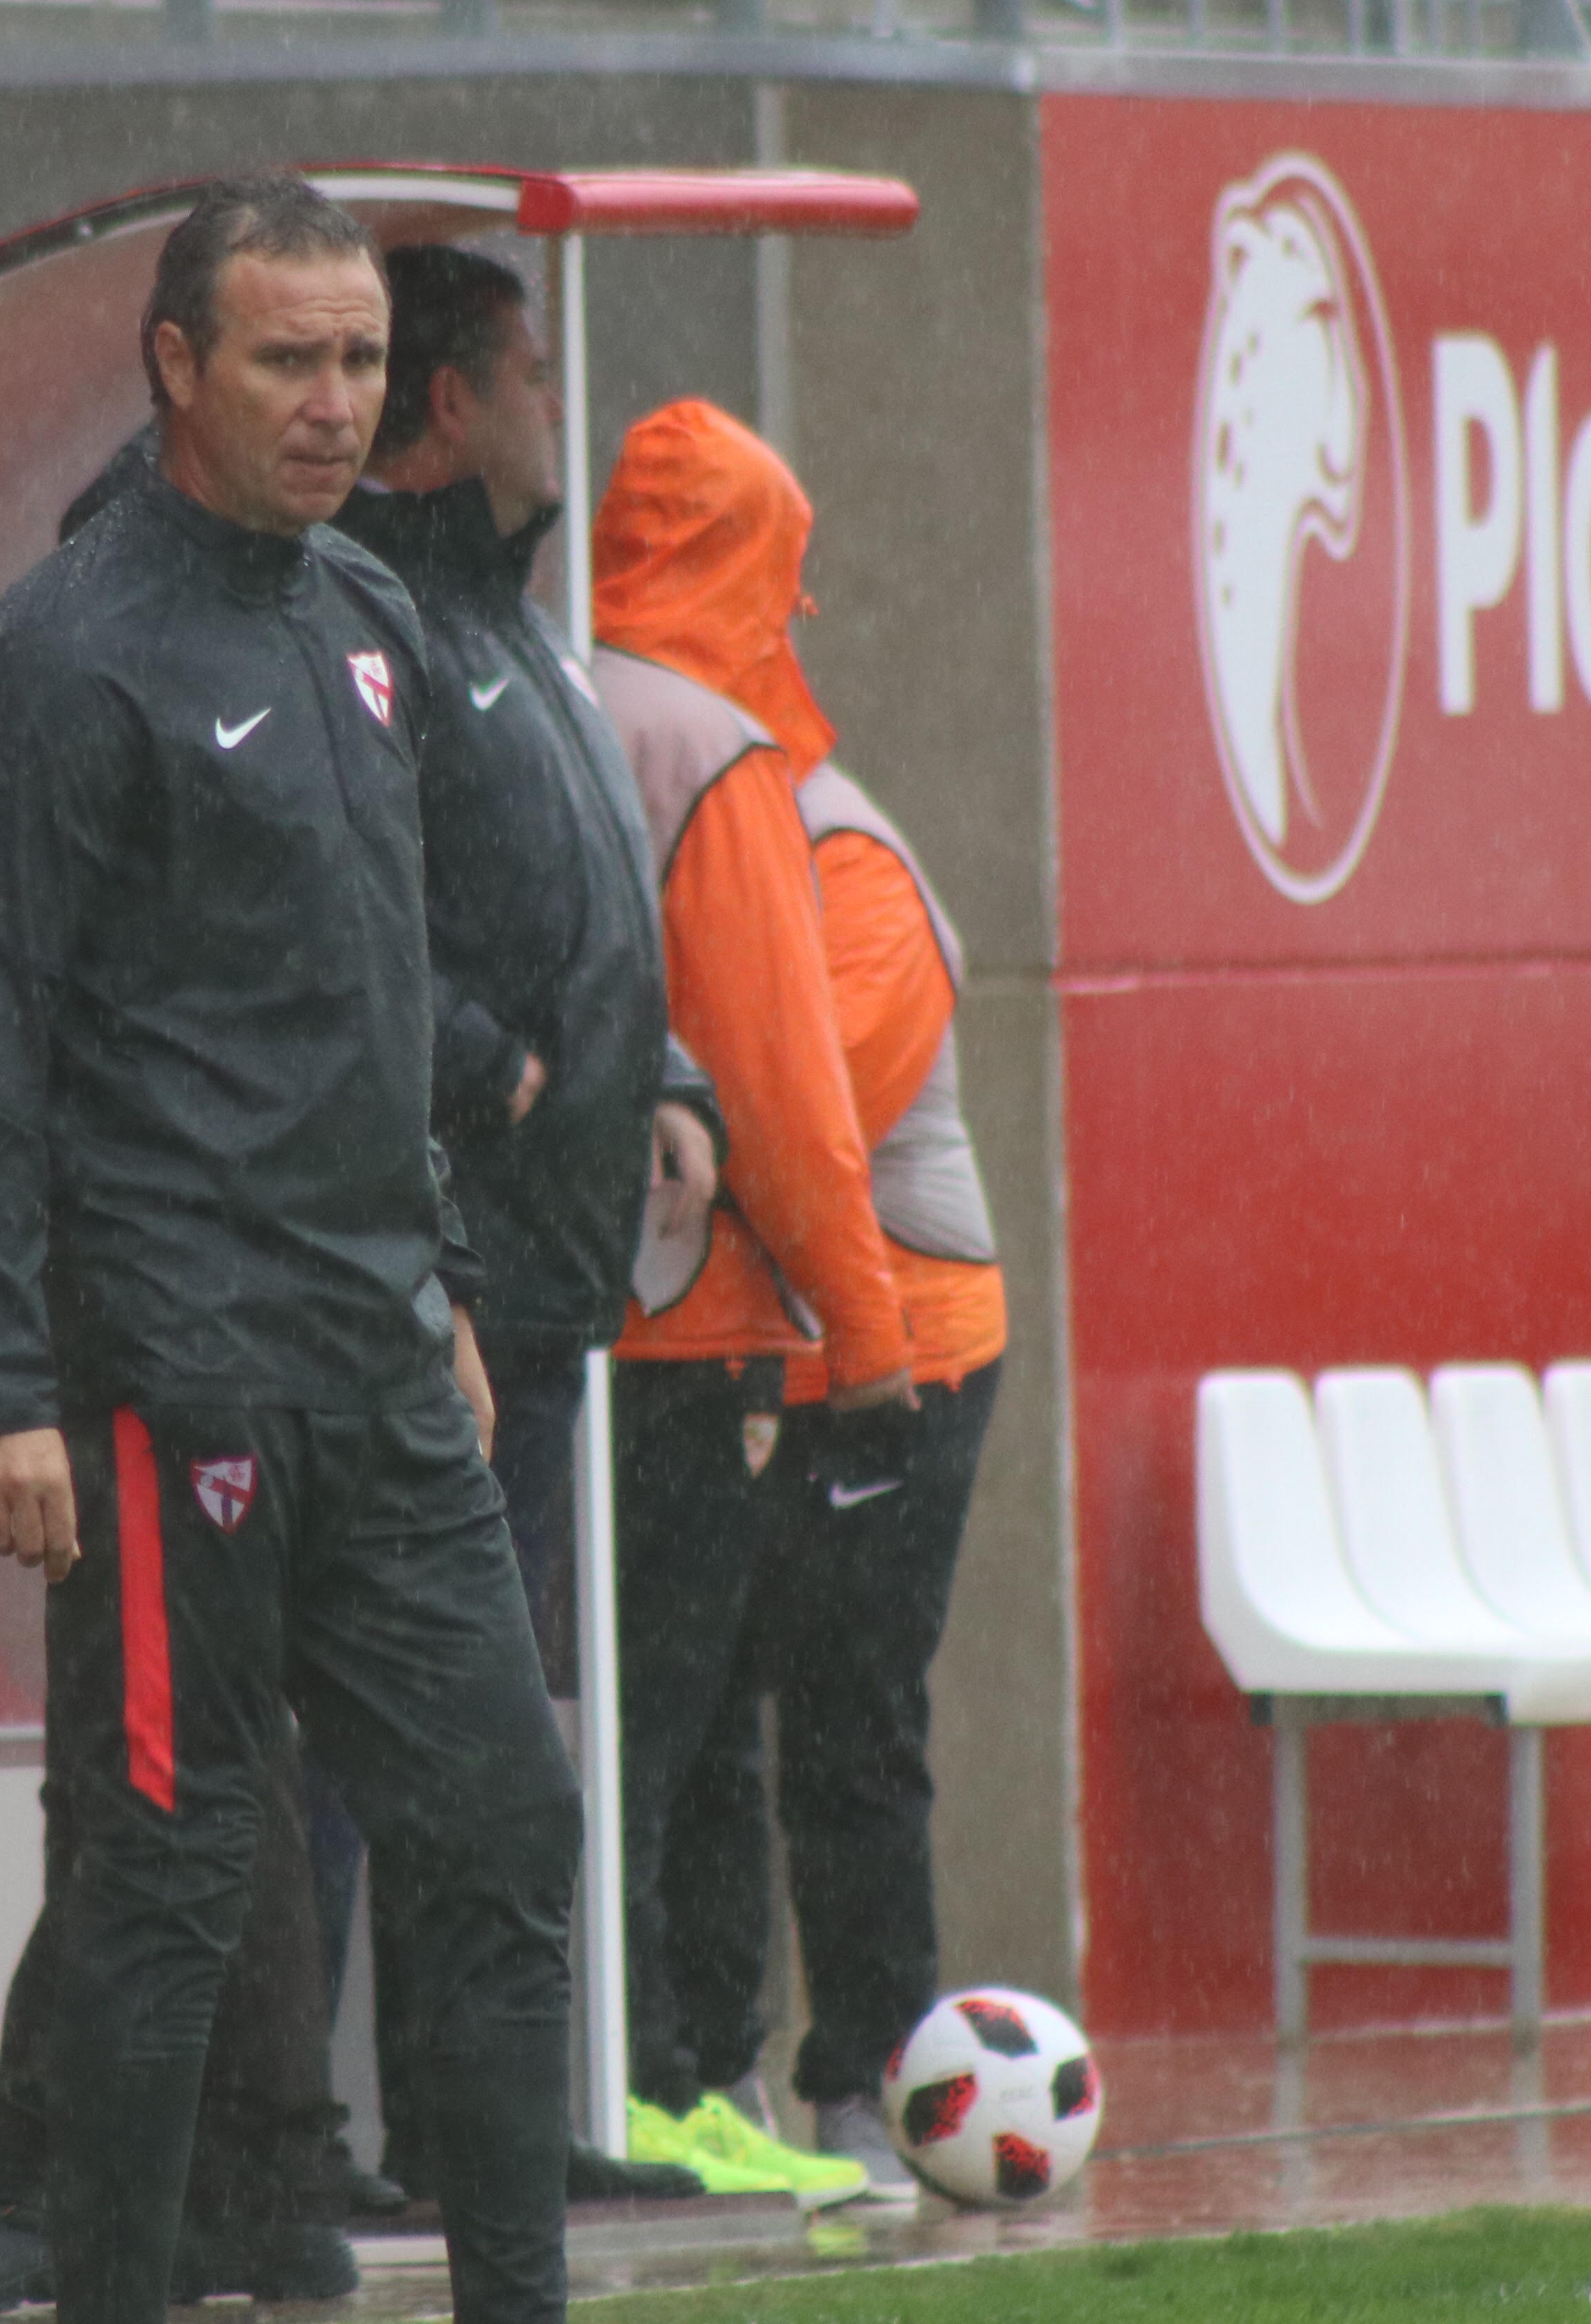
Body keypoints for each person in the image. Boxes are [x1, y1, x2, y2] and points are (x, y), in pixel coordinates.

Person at [0, 174, 579, 2324]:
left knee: (505, 1825)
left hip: (379, 1361)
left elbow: (382, 992)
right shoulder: (64, 652)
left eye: (362, 360)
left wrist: (446, 1273)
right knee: (173, 1881)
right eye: (287, 358)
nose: (330, 400)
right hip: (168, 1377)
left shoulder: (365, 619)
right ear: (175, 368)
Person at [328, 245, 714, 2208]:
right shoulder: (385, 608)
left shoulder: (511, 621)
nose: (559, 404)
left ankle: (491, 2127)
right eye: (535, 371)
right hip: (443, 1276)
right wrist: (493, 1072)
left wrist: (675, 1083)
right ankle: (337, 2139)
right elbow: (357, 908)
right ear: (459, 401)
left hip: (551, 1282)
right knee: (404, 1727)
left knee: (498, 1734)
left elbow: (595, 894)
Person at [583, 397, 916, 2208]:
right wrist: (865, 1342)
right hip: (691, 1322)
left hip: (558, 1309)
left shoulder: (553, 695)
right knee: (693, 1738)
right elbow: (786, 1092)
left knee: (613, 1724)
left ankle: (635, 2081)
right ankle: (678, 2090)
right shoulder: (712, 753)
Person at [654, 759, 1008, 2199]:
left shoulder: (844, 849)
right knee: (705, 1728)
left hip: (898, 1355)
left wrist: (645, 1101)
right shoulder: (676, 807)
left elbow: (797, 1123)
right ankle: (712, 2070)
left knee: (851, 1722)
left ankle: (869, 2083)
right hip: (730, 1359)